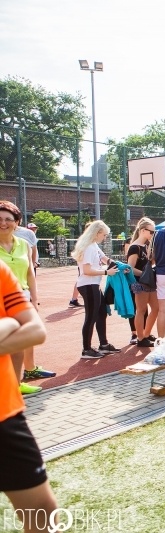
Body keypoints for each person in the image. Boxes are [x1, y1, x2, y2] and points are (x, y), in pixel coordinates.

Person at [0, 259, 58, 532]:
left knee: (43, 514)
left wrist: (12, 325)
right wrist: (9, 325)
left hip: (5, 413)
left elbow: (35, 330)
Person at [0, 202, 54, 396]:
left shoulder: (23, 244)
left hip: (21, 297)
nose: (3, 223)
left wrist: (34, 299)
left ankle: (16, 384)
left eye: (8, 219)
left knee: (19, 344)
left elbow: (30, 272)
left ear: (17, 223)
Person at [73, 220, 126, 359]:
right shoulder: (89, 247)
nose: (105, 237)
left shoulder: (93, 245)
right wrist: (106, 272)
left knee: (101, 312)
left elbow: (104, 258)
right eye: (104, 235)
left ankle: (103, 345)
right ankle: (86, 349)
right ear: (97, 233)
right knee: (91, 317)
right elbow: (87, 270)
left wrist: (118, 265)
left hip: (92, 284)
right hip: (88, 285)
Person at [126, 217, 159, 347]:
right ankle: (140, 337)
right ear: (143, 230)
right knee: (141, 310)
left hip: (149, 282)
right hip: (139, 282)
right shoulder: (134, 247)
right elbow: (130, 268)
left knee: (156, 308)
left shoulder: (147, 246)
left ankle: (146, 333)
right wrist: (145, 274)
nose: (152, 235)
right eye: (151, 232)